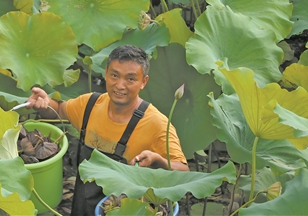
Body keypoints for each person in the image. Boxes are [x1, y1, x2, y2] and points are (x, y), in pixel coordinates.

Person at [27, 45, 189, 215]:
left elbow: (184, 173)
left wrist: (159, 161)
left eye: (130, 79)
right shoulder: (89, 105)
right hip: (83, 208)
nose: (120, 85)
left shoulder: (158, 124)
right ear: (105, 73)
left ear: (143, 82)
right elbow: (59, 110)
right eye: (114, 75)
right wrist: (44, 104)